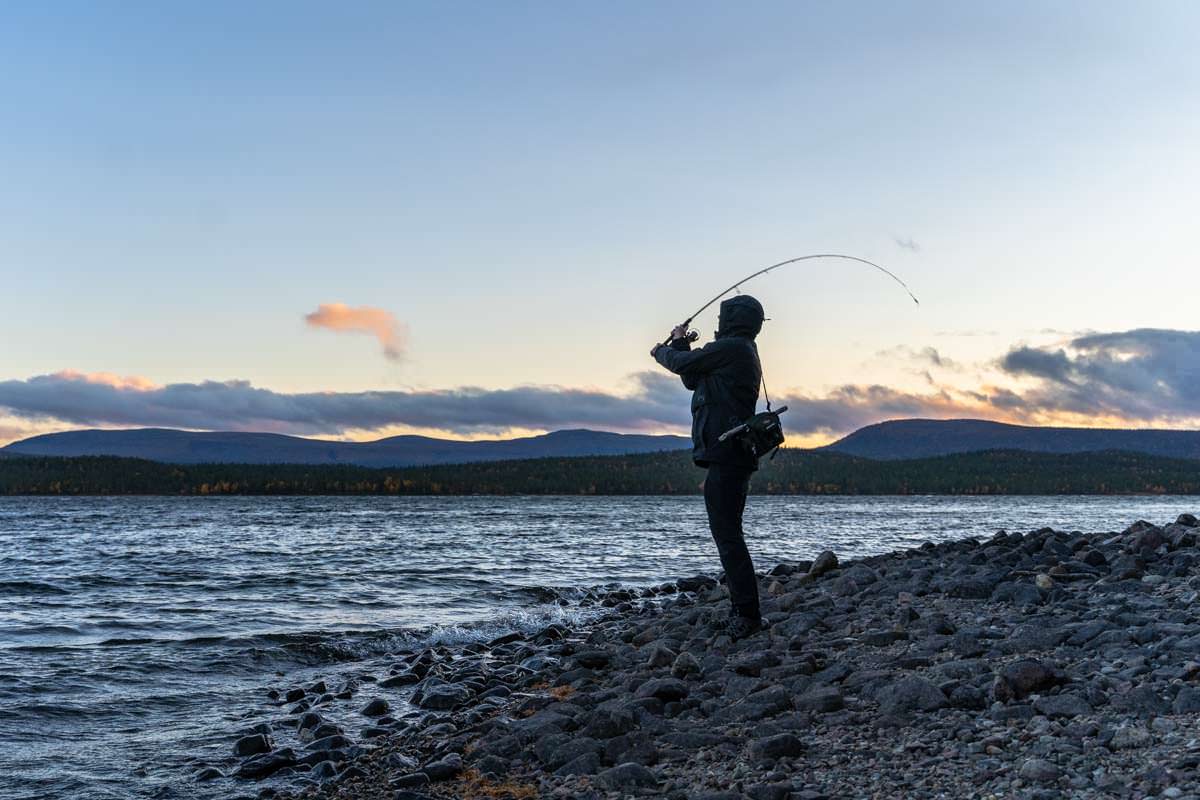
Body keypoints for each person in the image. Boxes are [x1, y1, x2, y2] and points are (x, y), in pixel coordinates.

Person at [650, 295, 766, 640]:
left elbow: (680, 364)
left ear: (731, 320)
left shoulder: (733, 347)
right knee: (727, 534)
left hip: (730, 454)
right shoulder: (737, 350)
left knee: (728, 535)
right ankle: (742, 611)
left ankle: (747, 616)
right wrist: (682, 342)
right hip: (729, 453)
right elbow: (692, 376)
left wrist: (662, 349)